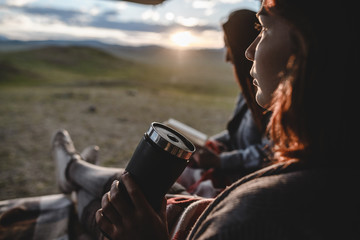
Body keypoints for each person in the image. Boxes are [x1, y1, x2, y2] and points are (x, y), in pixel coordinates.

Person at [96, 0, 358, 239]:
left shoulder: (255, 215)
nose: (248, 52)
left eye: (264, 29)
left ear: (308, 47)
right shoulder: (336, 170)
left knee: (132, 195)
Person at [177, 9, 272, 198]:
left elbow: (270, 153)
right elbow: (234, 134)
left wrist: (220, 161)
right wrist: (206, 145)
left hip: (244, 185)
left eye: (229, 47)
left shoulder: (270, 98)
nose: (228, 57)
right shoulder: (247, 92)